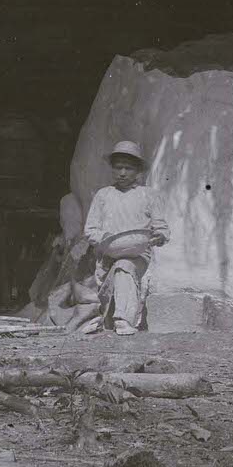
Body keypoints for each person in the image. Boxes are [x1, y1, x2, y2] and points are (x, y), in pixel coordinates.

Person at [83, 140, 169, 335]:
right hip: (107, 255)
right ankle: (107, 321)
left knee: (124, 266)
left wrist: (160, 236)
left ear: (138, 170)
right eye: (118, 167)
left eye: (128, 168)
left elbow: (162, 228)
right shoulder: (103, 195)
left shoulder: (148, 195)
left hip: (138, 254)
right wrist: (105, 238)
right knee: (110, 284)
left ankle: (123, 320)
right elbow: (90, 229)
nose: (122, 173)